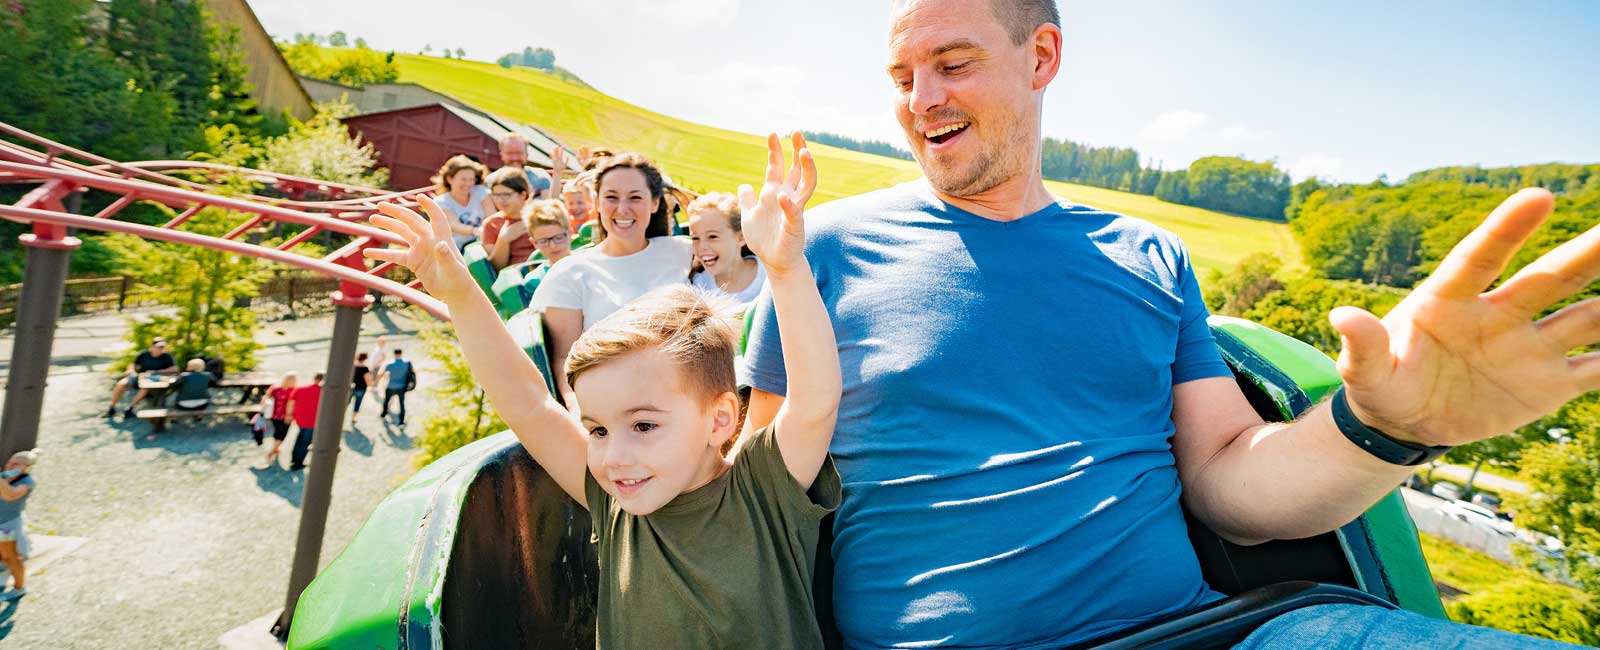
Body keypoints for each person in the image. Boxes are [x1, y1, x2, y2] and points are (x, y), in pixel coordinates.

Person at [741, 2, 1598, 648]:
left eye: (952, 64)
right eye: (902, 78)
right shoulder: (818, 248)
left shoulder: (1146, 253)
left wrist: (1387, 430)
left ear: (1040, 56)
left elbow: (1232, 489)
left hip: (1205, 633)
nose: (921, 100)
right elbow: (753, 503)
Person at [362, 134, 840, 647]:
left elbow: (814, 400)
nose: (614, 455)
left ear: (720, 419)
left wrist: (786, 269)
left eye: (643, 425)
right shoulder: (615, 502)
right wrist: (458, 289)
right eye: (597, 430)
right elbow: (531, 404)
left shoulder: (760, 489)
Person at [530, 153, 694, 407]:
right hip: (617, 404)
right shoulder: (570, 273)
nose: (623, 208)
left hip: (689, 392)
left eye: (635, 197)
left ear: (655, 203)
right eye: (611, 197)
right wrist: (579, 412)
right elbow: (564, 360)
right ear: (596, 203)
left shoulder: (682, 251)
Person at [688, 192, 766, 306]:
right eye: (695, 238)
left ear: (740, 238)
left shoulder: (769, 274)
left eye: (712, 236)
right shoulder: (700, 287)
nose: (701, 247)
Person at [431, 155, 495, 250]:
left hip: (483, 240)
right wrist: (475, 231)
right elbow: (453, 225)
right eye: (463, 179)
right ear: (450, 179)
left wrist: (486, 232)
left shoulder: (480, 191)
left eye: (471, 179)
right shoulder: (441, 201)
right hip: (458, 246)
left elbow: (491, 216)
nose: (468, 184)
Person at [482, 166, 538, 270]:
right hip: (517, 279)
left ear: (523, 194)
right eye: (496, 195)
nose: (500, 200)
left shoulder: (539, 216)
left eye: (506, 195)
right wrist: (503, 240)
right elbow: (497, 267)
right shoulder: (491, 224)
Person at [0, 449, 39, 601]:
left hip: (7, 525)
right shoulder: (5, 477)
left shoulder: (27, 482)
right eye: (9, 461)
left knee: (11, 558)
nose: (9, 465)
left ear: (26, 468)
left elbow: (10, 495)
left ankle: (19, 588)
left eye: (15, 463)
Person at [106, 337, 176, 419]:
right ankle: (112, 407)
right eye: (158, 347)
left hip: (152, 380)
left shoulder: (167, 357)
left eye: (162, 347)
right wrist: (131, 370)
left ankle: (130, 408)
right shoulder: (144, 354)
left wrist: (156, 371)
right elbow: (133, 364)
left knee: (144, 389)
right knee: (121, 384)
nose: (160, 349)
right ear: (152, 346)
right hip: (138, 377)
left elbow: (175, 369)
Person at [498, 133, 553, 198]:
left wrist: (558, 172)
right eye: (510, 153)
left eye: (519, 153)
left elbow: (549, 204)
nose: (515, 158)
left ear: (527, 154)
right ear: (502, 155)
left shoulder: (541, 177)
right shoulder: (491, 180)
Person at [286, 373, 323, 471]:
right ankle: (298, 463)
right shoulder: (324, 392)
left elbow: (291, 402)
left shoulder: (300, 389)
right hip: (313, 421)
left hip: (300, 419)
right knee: (305, 442)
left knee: (299, 439)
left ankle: (294, 459)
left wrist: (289, 415)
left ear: (314, 378)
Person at [525, 200, 573, 266]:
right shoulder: (537, 276)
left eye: (558, 238)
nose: (552, 246)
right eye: (544, 241)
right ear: (534, 243)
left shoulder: (588, 264)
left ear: (570, 234)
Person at [263, 372, 297, 466]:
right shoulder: (292, 391)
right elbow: (291, 404)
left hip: (273, 415)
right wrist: (289, 415)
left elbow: (266, 397)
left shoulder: (275, 388)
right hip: (285, 416)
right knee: (282, 434)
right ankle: (271, 452)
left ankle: (276, 449)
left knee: (277, 432)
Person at [377, 349, 413, 426]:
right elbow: (412, 372)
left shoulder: (389, 364)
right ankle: (401, 421)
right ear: (401, 353)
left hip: (390, 386)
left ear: (394, 354)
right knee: (401, 404)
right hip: (402, 387)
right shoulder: (407, 363)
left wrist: (377, 382)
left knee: (386, 401)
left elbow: (381, 374)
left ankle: (383, 414)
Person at [350, 352, 371, 426]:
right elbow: (368, 380)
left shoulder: (352, 365)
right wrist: (370, 385)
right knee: (357, 404)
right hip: (361, 388)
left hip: (350, 388)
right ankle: (353, 419)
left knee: (345, 403)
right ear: (365, 359)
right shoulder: (365, 368)